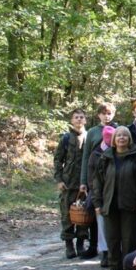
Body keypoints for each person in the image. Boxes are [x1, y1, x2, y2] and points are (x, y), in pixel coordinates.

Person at [92, 126, 136, 270]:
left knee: (129, 239)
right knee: (112, 239)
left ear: (129, 139)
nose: (121, 138)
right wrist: (97, 202)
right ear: (114, 139)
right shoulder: (106, 157)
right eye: (118, 135)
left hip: (130, 204)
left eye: (125, 135)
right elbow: (97, 181)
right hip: (109, 204)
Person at [53, 108, 89, 259]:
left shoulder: (90, 137)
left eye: (81, 117)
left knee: (83, 216)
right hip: (68, 184)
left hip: (83, 184)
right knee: (67, 216)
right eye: (76, 117)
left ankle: (81, 244)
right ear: (72, 120)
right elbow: (58, 160)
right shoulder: (66, 138)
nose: (79, 120)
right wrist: (59, 180)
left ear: (85, 120)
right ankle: (69, 245)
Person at [87, 125, 115, 267]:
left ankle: (115, 253)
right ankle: (105, 252)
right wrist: (96, 198)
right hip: (101, 195)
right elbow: (91, 178)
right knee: (102, 225)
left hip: (116, 194)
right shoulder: (96, 153)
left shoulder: (119, 151)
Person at [79, 101, 116, 200]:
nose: (106, 116)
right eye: (103, 114)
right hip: (94, 173)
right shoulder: (92, 132)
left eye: (109, 113)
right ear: (99, 115)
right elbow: (86, 156)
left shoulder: (118, 130)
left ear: (113, 114)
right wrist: (83, 181)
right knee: (94, 204)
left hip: (113, 172)